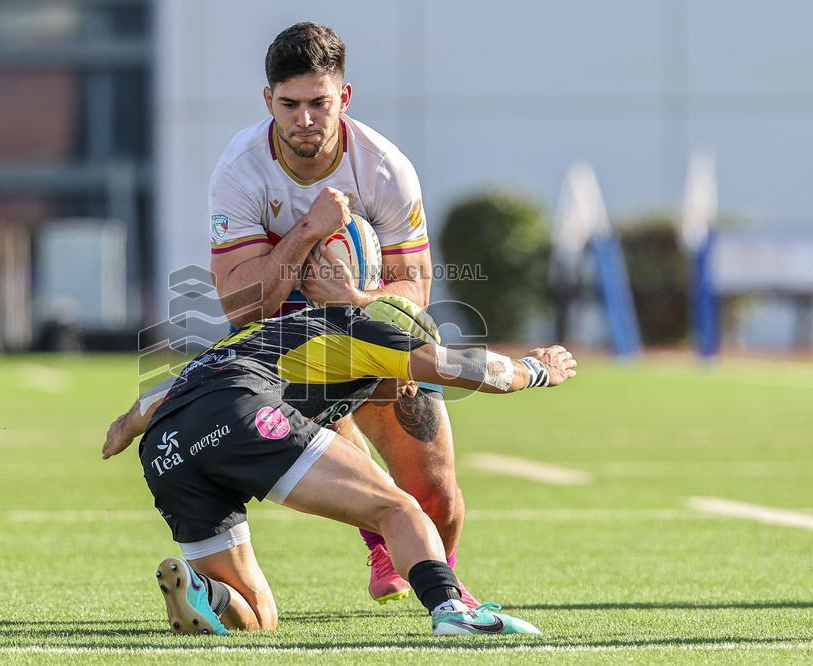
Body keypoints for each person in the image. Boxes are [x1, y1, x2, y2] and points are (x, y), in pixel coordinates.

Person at [102, 297, 578, 636]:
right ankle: (452, 609)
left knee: (259, 618)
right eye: (411, 379)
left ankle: (208, 593)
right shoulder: (369, 332)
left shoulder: (271, 332)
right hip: (241, 410)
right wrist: (536, 370)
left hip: (164, 448)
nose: (411, 389)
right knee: (398, 509)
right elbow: (467, 369)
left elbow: (151, 403)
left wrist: (122, 429)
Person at [208, 21, 472, 605]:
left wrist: (353, 301)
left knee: (438, 493)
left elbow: (416, 293)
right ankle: (388, 541)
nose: (305, 120)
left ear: (343, 99)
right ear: (268, 100)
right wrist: (307, 232)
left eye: (319, 103)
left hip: (369, 326)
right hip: (279, 341)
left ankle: (442, 579)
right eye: (290, 104)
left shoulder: (384, 169)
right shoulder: (241, 170)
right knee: (366, 482)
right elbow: (239, 301)